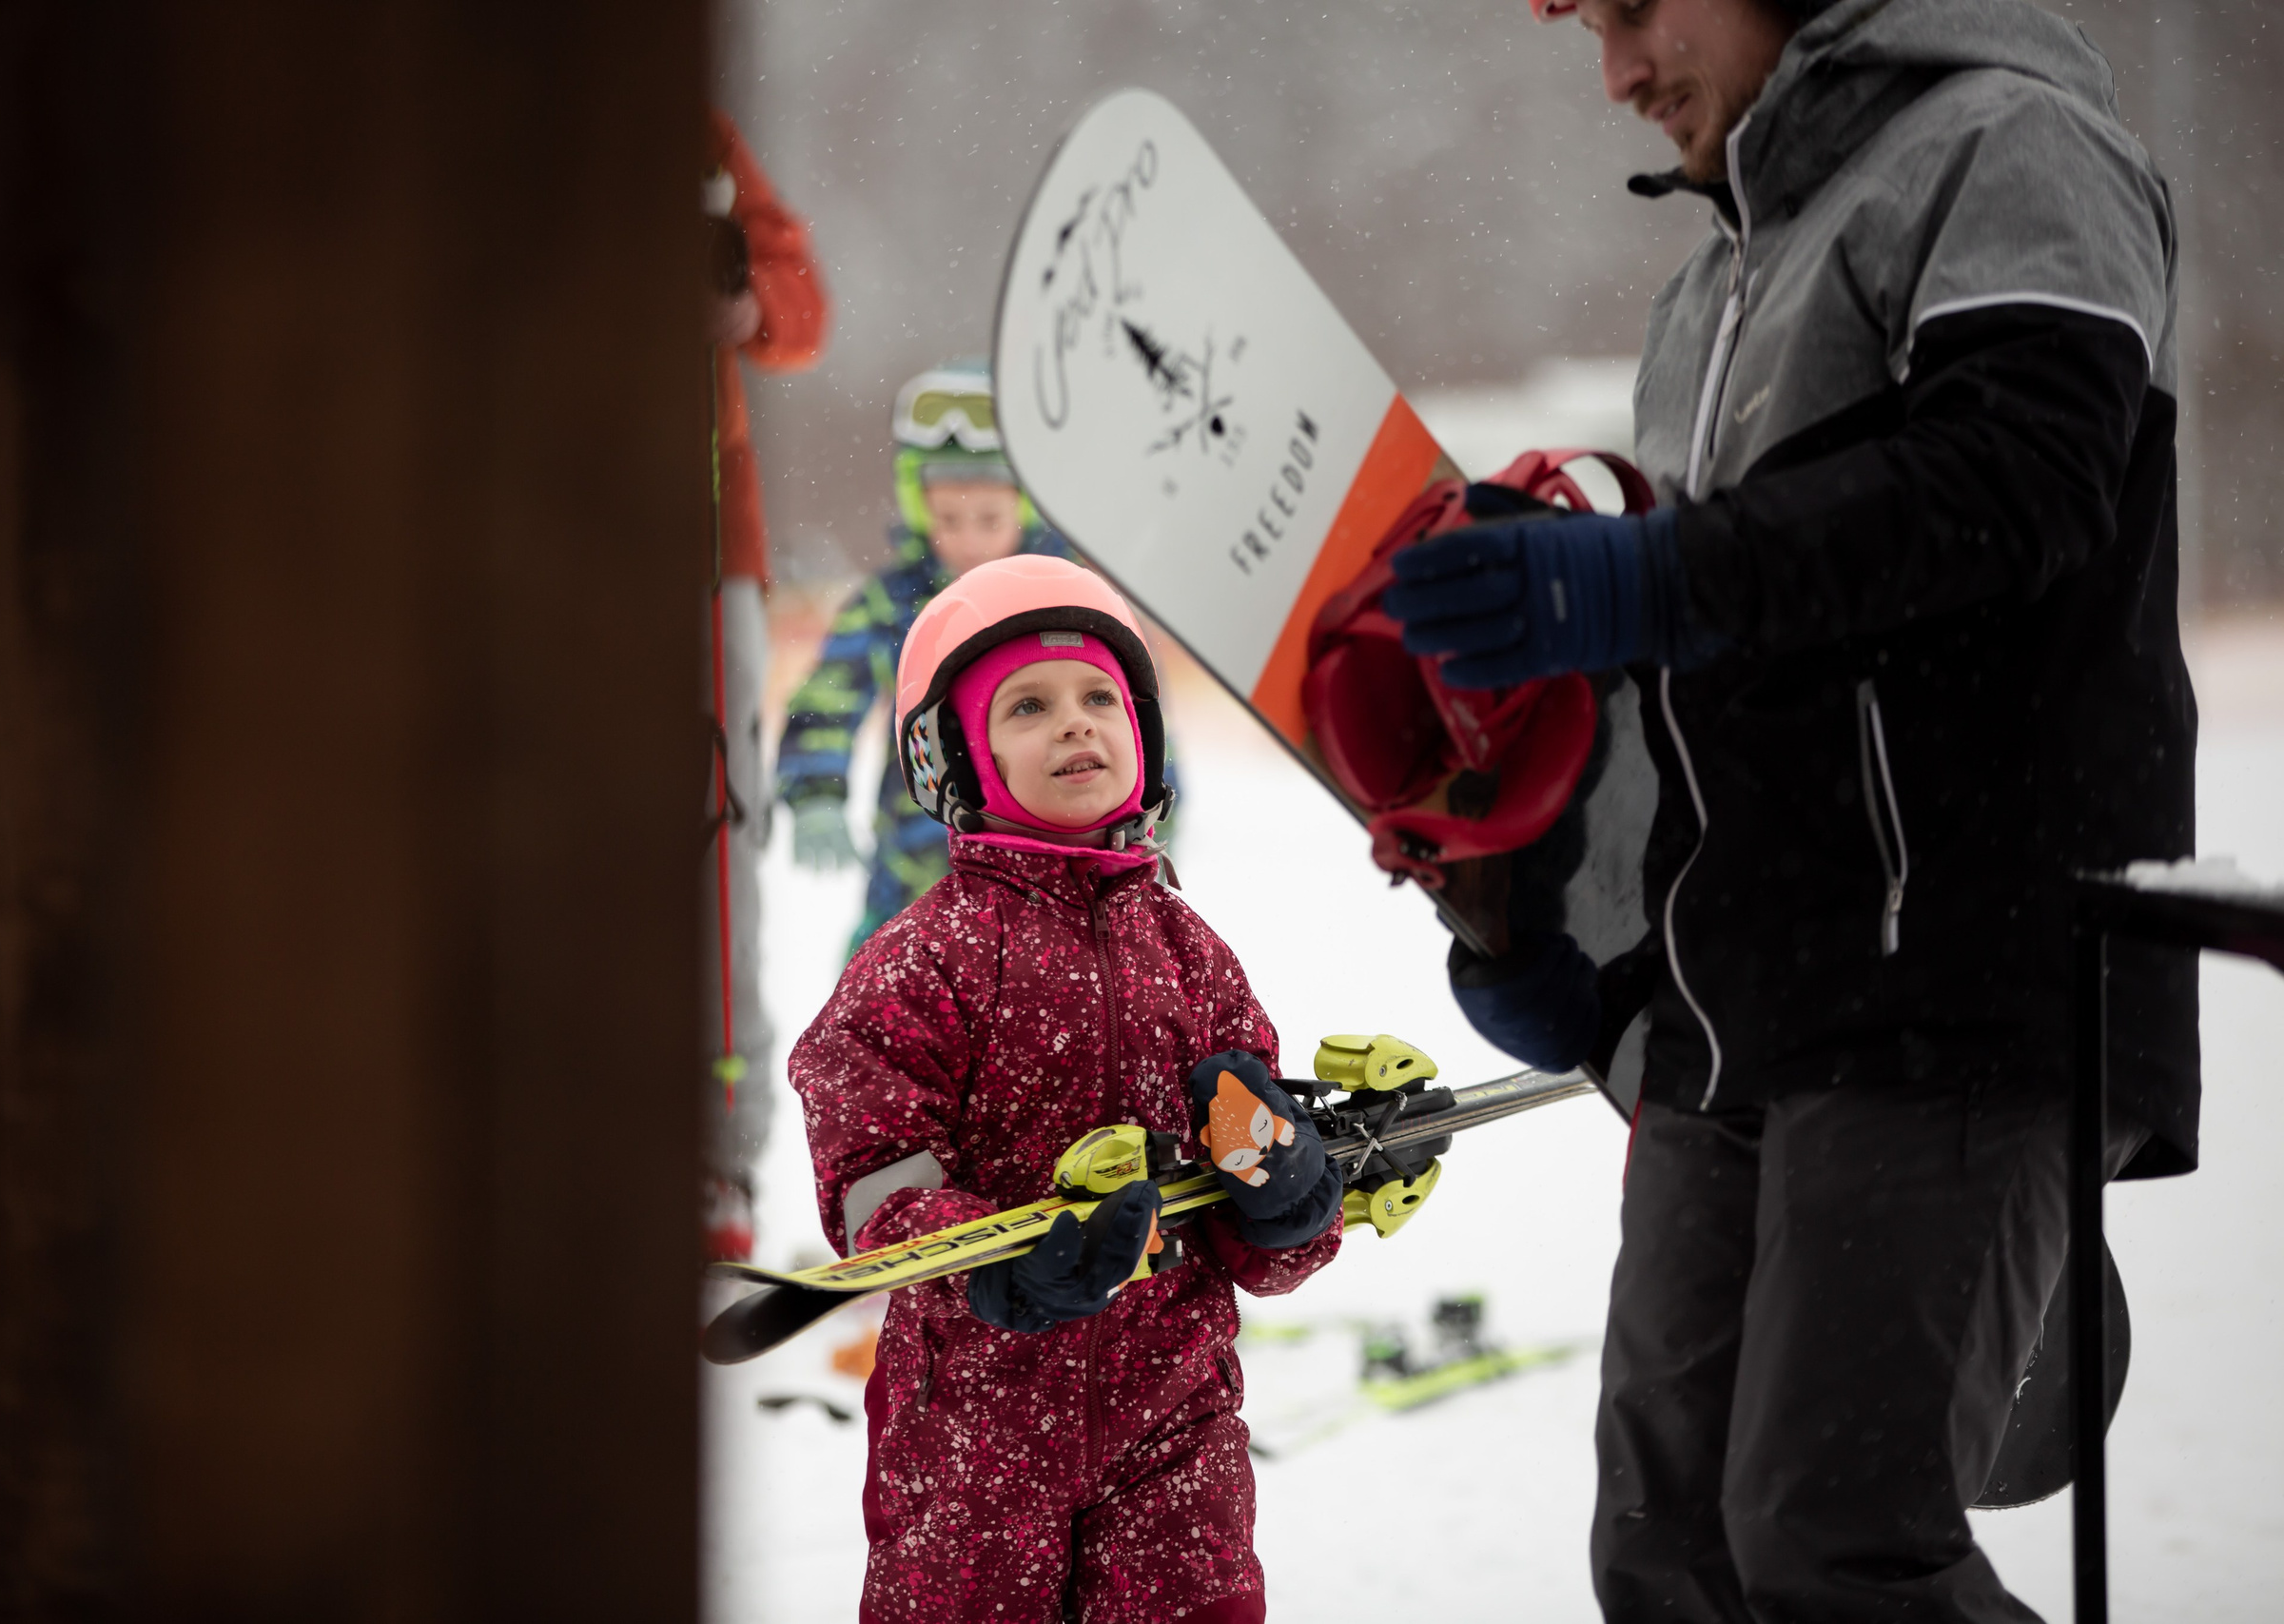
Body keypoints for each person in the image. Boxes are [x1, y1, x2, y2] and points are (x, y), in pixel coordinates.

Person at [1384, 0, 2196, 1617]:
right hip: (1740, 1010)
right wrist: (1538, 902)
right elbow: (1730, 692)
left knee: (1839, 1543)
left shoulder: (2014, 150)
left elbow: (2007, 490)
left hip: (1960, 973)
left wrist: (1644, 575)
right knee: (1670, 1554)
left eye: (1631, 8)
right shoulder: (1714, 289)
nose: (1614, 73)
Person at [787, 556, 1342, 1624]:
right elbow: (869, 1170)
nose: (1074, 725)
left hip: (1175, 1424)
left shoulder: (1191, 953)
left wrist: (1287, 1204)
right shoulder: (926, 957)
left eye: (1100, 700)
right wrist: (993, 1257)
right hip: (974, 1434)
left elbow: (1255, 1205)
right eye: (1028, 707)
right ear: (953, 757)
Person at [777, 362, 1177, 957]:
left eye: (988, 519)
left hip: (1056, 875)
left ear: (1024, 507)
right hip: (915, 878)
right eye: (948, 519)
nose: (968, 538)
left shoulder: (1070, 600)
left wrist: (1152, 825)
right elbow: (828, 700)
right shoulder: (892, 605)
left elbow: (1137, 716)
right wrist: (815, 793)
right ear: (919, 511)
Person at [703, 106, 827, 1262]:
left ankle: (714, 1163)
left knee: (715, 846)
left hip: (703, 555)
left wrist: (739, 301)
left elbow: (799, 308)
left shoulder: (689, 127)